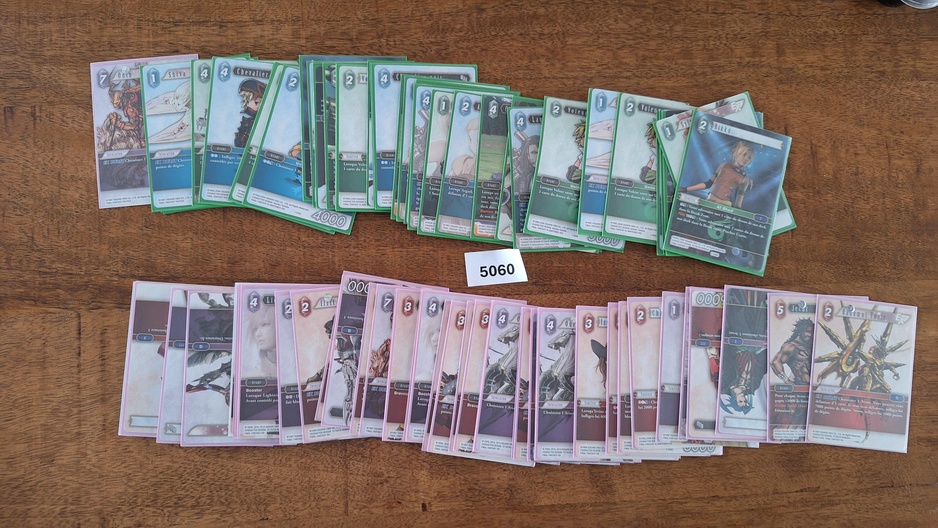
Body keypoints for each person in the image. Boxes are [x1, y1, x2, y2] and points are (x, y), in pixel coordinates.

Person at [681, 141, 754, 209]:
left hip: (724, 206)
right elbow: (708, 184)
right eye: (744, 154)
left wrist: (734, 216)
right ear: (735, 153)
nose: (746, 159)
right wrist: (686, 189)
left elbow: (738, 203)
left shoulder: (745, 179)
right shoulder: (724, 166)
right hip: (709, 201)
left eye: (749, 157)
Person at [770, 318, 814, 385]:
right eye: (807, 332)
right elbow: (775, 362)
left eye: (811, 332)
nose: (810, 335)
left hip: (813, 386)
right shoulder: (791, 347)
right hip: (800, 385)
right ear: (800, 331)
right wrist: (787, 381)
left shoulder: (809, 346)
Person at [234, 79, 266, 148]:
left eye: (248, 100)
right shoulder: (248, 120)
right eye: (246, 101)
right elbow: (239, 143)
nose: (247, 105)